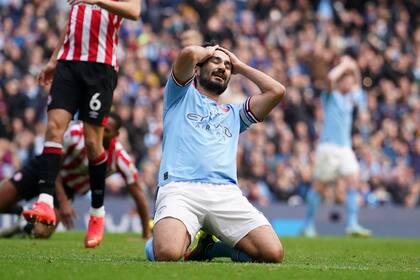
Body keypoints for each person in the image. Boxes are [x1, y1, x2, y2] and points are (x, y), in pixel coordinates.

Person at [145, 43, 286, 263]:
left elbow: (277, 92)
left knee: (273, 254)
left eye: (227, 66)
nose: (223, 67)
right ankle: (162, 239)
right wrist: (210, 51)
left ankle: (209, 249)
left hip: (225, 194)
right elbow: (189, 54)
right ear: (197, 69)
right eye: (215, 62)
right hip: (181, 189)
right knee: (168, 254)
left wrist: (241, 66)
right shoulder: (179, 97)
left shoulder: (234, 113)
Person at [22, 0, 142, 248]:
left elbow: (134, 12)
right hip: (67, 64)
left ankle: (97, 212)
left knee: (92, 142)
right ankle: (45, 200)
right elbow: (72, 24)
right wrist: (54, 59)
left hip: (100, 68)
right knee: (54, 127)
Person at [0, 113, 151, 241]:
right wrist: (64, 202)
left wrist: (145, 234)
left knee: (41, 232)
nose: (101, 132)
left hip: (66, 187)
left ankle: (23, 223)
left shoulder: (119, 158)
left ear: (116, 135)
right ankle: (23, 212)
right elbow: (54, 167)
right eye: (100, 126)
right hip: (43, 168)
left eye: (107, 130)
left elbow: (138, 195)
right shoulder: (75, 134)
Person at [301, 56, 372, 237]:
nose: (350, 83)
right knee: (319, 187)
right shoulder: (330, 95)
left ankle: (352, 224)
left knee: (354, 180)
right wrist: (343, 65)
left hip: (345, 148)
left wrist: (353, 67)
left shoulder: (351, 98)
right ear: (341, 82)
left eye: (350, 80)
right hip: (328, 147)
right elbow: (331, 78)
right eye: (346, 80)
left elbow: (358, 85)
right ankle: (308, 225)